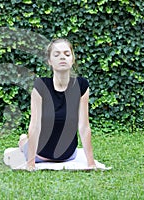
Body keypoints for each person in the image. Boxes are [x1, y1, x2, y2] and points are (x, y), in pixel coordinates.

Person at [19, 38, 97, 171]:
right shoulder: (40, 86)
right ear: (49, 61)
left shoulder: (81, 85)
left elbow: (84, 126)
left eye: (67, 54)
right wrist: (31, 163)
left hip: (68, 155)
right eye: (57, 54)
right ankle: (23, 140)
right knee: (24, 143)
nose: (62, 57)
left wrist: (91, 163)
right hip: (40, 154)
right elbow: (35, 125)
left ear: (72, 59)